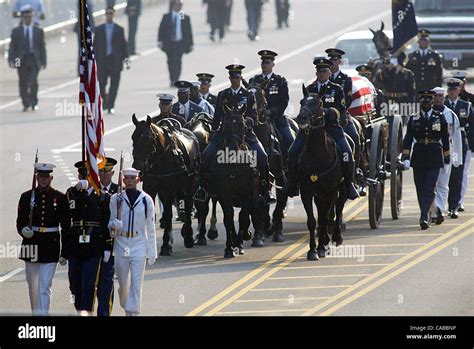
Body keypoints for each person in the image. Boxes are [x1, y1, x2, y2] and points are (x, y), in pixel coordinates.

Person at [195, 64, 275, 204]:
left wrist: (243, 122)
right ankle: (203, 188)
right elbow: (217, 117)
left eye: (237, 76)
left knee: (262, 157)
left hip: (244, 133)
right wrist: (214, 132)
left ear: (240, 77)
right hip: (224, 133)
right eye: (232, 76)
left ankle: (265, 189)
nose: (234, 79)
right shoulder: (223, 94)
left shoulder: (248, 95)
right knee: (206, 156)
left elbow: (254, 116)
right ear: (230, 78)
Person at [285, 58, 359, 200]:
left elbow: (341, 108)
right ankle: (293, 182)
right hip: (310, 130)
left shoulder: (336, 89)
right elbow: (304, 107)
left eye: (324, 71)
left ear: (329, 72)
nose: (321, 73)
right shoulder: (310, 89)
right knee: (292, 151)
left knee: (347, 151)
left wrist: (326, 112)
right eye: (319, 71)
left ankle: (349, 184)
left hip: (331, 127)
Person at [16, 163, 70, 315]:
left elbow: (66, 226)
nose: (43, 180)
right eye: (41, 177)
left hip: (50, 245)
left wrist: (64, 251)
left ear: (51, 178)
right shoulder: (27, 196)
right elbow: (20, 221)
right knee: (33, 286)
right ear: (37, 177)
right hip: (31, 244)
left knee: (45, 286)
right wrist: (23, 231)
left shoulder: (59, 198)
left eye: (46, 177)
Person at [64, 161, 112, 315]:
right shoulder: (72, 193)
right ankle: (80, 309)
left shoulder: (103, 197)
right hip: (75, 245)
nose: (84, 178)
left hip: (94, 245)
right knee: (74, 283)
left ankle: (86, 312)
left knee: (89, 283)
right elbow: (68, 212)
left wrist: (107, 245)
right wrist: (78, 191)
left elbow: (105, 223)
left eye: (88, 175)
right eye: (81, 175)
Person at [108, 167, 157, 316]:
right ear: (123, 180)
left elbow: (150, 226)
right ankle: (126, 304)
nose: (129, 181)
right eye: (126, 178)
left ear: (138, 180)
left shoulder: (146, 200)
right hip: (121, 244)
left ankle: (133, 312)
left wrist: (152, 250)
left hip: (138, 244)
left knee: (136, 283)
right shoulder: (115, 199)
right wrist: (113, 225)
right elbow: (110, 224)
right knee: (123, 285)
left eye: (132, 178)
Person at [402, 91, 450, 230]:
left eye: (428, 101)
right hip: (419, 156)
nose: (425, 104)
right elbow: (408, 139)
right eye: (423, 101)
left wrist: (447, 157)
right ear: (420, 102)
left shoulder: (439, 117)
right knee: (420, 188)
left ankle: (424, 216)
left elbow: (445, 138)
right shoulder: (414, 118)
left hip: (434, 155)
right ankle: (435, 212)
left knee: (430, 187)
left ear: (432, 102)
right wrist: (406, 157)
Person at [430, 87, 462, 225]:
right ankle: (431, 210)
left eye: (440, 96)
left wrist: (457, 157)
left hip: (446, 151)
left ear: (444, 97)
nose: (437, 98)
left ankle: (439, 210)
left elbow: (456, 137)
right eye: (435, 96)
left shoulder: (451, 115)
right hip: (429, 152)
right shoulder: (425, 114)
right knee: (431, 184)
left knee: (443, 183)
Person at [249, 50, 292, 150]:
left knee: (289, 140)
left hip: (276, 118)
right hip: (257, 119)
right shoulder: (254, 80)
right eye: (263, 62)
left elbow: (284, 101)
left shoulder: (280, 81)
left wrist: (272, 111)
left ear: (273, 64)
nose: (265, 65)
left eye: (268, 62)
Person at [8, 5, 46, 112]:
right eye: (25, 17)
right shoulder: (16, 31)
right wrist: (11, 60)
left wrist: (44, 61)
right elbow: (12, 47)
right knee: (23, 81)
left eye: (29, 17)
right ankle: (25, 103)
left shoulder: (38, 30)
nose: (27, 19)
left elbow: (42, 47)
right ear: (22, 18)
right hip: (20, 59)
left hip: (34, 59)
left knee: (33, 81)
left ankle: (34, 102)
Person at [445, 78, 474, 218]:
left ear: (459, 90)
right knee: (443, 174)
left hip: (459, 144)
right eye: (450, 90)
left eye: (454, 90)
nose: (452, 92)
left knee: (457, 174)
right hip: (444, 143)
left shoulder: (466, 105)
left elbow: (472, 127)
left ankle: (454, 205)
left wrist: (472, 147)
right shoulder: (442, 104)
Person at [94, 6, 129, 115]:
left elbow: (124, 47)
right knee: (101, 84)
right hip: (102, 62)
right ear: (105, 15)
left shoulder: (119, 29)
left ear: (113, 14)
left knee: (114, 85)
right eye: (107, 13)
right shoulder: (99, 29)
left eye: (111, 13)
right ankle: (105, 101)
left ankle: (111, 105)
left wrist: (127, 62)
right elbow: (94, 47)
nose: (109, 15)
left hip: (115, 62)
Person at [96, 157, 119, 316]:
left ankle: (104, 313)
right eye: (101, 172)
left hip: (111, 244)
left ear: (112, 173)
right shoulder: (92, 189)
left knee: (106, 282)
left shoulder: (119, 191)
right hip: (92, 243)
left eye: (107, 172)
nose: (104, 176)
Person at [158, 0, 194, 87]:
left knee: (178, 61)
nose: (179, 7)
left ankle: (176, 79)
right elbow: (161, 29)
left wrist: (191, 43)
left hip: (180, 43)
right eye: (177, 5)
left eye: (180, 5)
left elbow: (188, 31)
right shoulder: (167, 16)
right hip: (169, 43)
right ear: (173, 5)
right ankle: (171, 79)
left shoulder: (183, 16)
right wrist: (160, 41)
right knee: (170, 61)